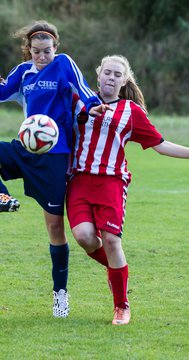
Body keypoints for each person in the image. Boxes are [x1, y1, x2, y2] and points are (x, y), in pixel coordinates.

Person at [66, 54, 189, 325]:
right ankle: (116, 271)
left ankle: (121, 305)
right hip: (79, 181)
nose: (111, 78)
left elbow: (160, 144)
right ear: (98, 75)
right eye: (107, 73)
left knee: (111, 241)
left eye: (117, 75)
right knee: (85, 237)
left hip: (111, 182)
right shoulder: (79, 101)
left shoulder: (131, 112)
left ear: (124, 81)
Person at [0, 20, 110, 318]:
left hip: (55, 157)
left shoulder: (63, 65)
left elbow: (83, 89)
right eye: (36, 51)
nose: (41, 56)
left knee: (55, 228)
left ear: (55, 47)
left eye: (46, 51)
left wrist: (93, 106)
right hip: (26, 149)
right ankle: (2, 197)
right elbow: (1, 92)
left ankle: (60, 294)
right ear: (29, 50)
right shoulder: (23, 73)